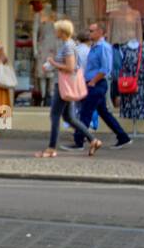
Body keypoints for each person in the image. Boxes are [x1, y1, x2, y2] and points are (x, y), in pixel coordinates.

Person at [37, 19, 99, 158]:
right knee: (69, 118)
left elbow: (70, 68)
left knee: (55, 116)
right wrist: (53, 64)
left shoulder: (68, 46)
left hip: (63, 86)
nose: (55, 32)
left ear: (62, 32)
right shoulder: (69, 44)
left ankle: (51, 148)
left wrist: (53, 62)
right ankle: (93, 140)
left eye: (57, 29)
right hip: (65, 85)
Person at [67, 21, 132, 151]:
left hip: (96, 84)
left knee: (86, 113)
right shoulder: (95, 46)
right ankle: (123, 137)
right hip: (93, 83)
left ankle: (78, 142)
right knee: (104, 113)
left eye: (91, 31)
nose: (89, 33)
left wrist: (93, 81)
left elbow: (105, 68)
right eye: (89, 30)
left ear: (100, 32)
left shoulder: (103, 47)